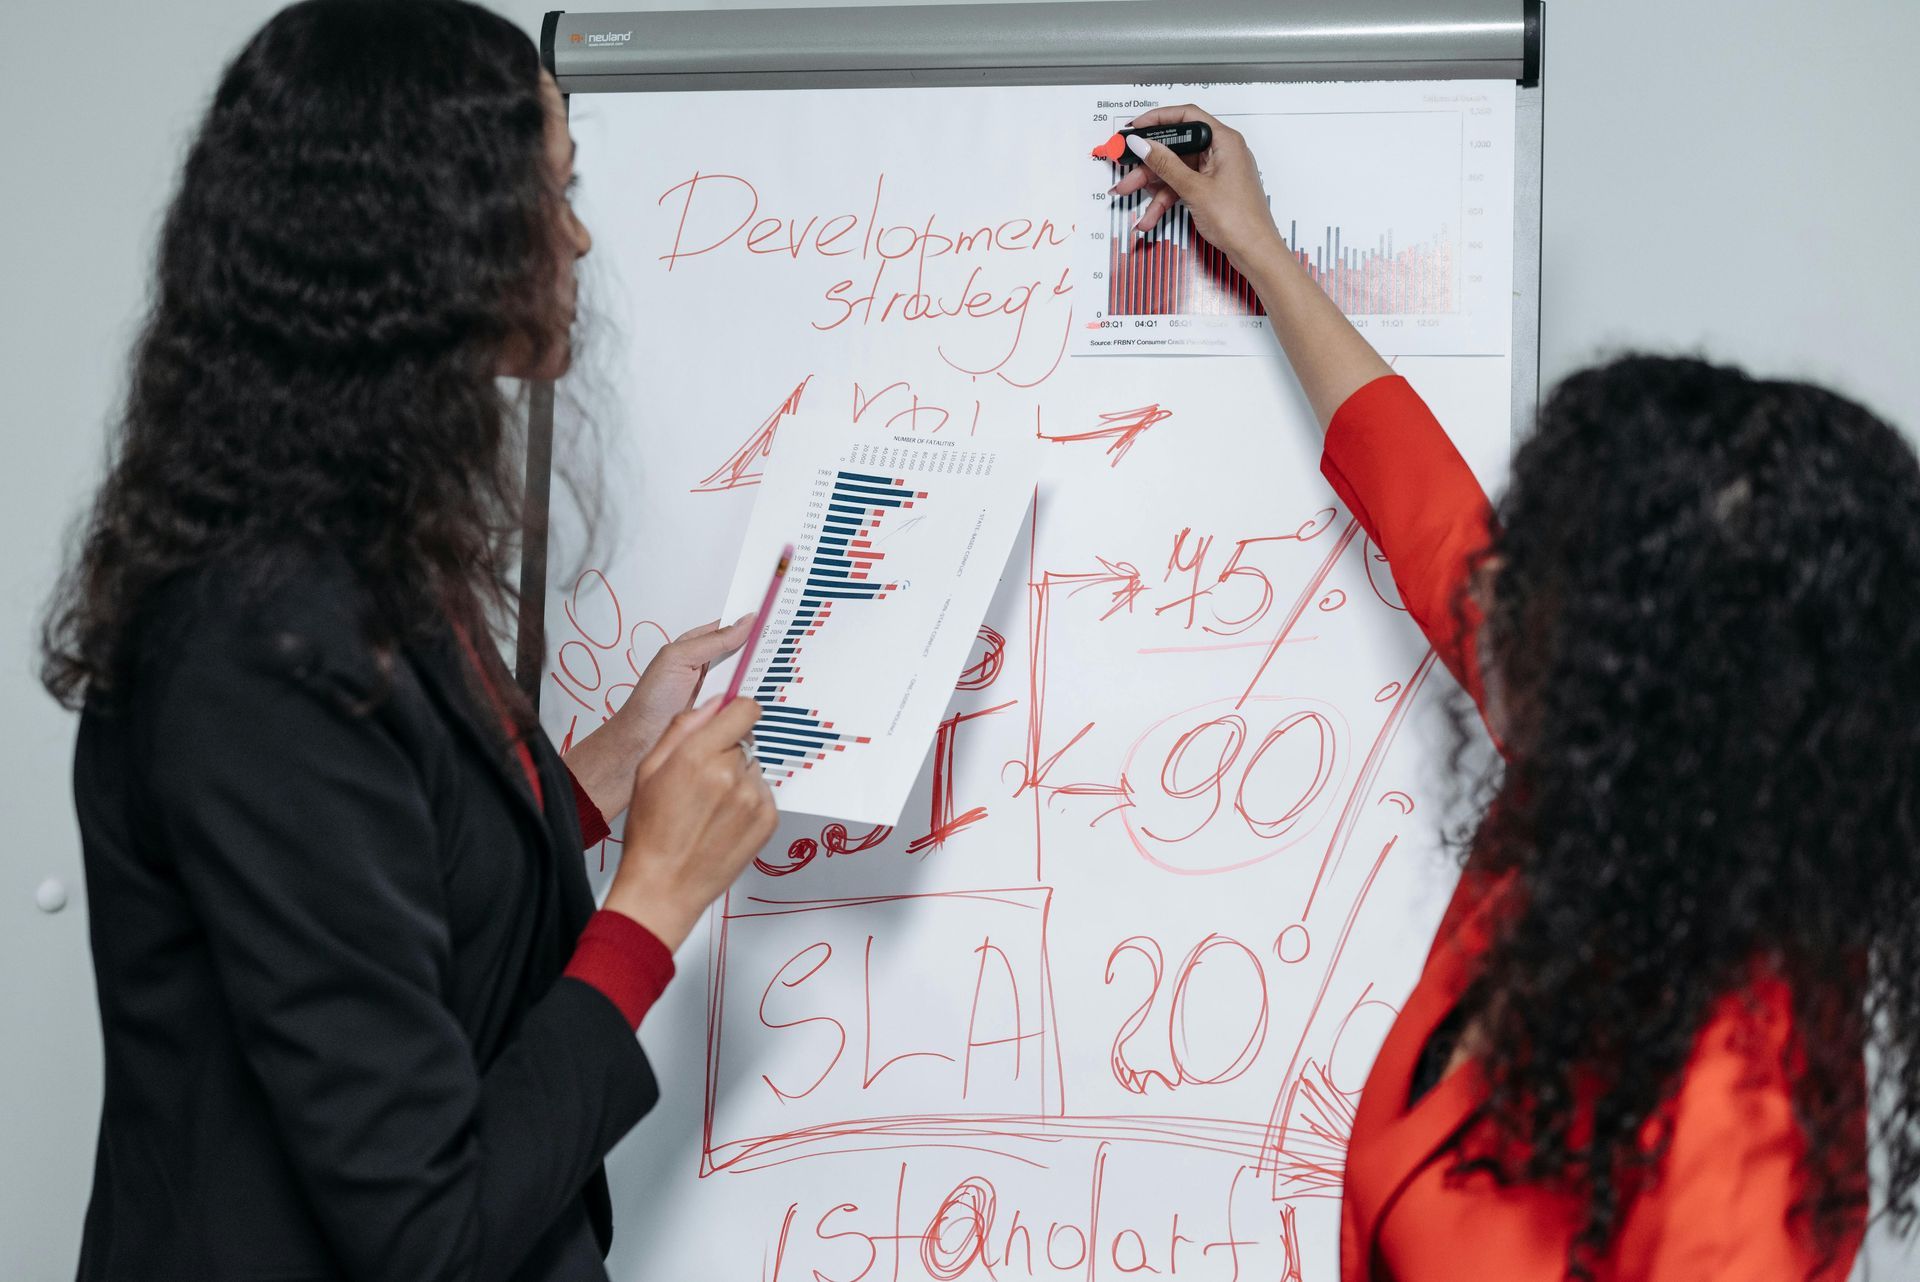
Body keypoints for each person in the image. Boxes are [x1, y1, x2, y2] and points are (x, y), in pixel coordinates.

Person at [1113, 111, 1920, 1280]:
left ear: (1650, 672)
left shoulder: (1748, 1126)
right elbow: (1423, 501)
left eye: (1544, 570)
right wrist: (1259, 249)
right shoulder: (1595, 793)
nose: (1494, 577)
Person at [40, 3, 775, 1279]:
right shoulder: (256, 642)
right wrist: (652, 905)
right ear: (429, 244)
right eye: (550, 195)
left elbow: (403, 863)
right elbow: (425, 1238)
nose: (580, 236)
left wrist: (608, 767)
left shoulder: (354, 551)